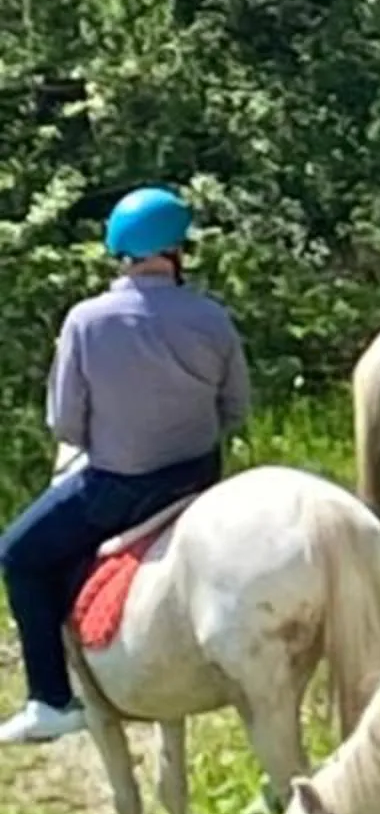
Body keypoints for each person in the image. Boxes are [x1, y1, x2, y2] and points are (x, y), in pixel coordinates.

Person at [0, 188, 251, 747]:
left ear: (120, 251)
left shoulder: (86, 321)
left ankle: (50, 698)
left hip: (119, 488)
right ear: (178, 250)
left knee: (17, 554)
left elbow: (66, 425)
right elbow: (235, 409)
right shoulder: (212, 316)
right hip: (198, 478)